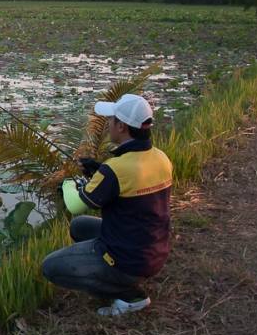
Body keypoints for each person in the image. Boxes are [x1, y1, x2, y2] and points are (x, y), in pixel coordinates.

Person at [42, 93, 173, 316]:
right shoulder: (160, 157)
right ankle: (115, 276)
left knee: (50, 267)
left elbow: (74, 204)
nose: (109, 124)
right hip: (153, 249)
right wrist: (98, 169)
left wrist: (66, 181)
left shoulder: (115, 169)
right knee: (80, 226)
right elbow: (128, 182)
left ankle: (130, 296)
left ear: (121, 126)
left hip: (128, 258)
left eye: (111, 120)